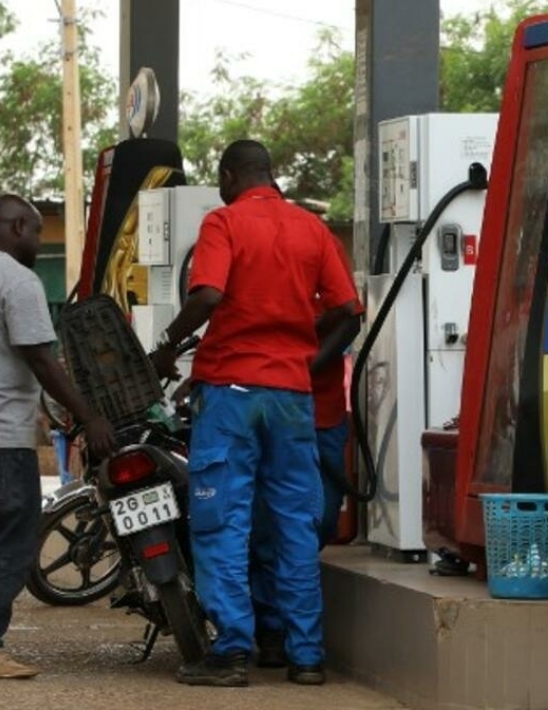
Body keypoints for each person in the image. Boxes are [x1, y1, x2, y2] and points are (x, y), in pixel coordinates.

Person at [150, 140, 359, 687]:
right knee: (295, 522)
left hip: (232, 392)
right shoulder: (312, 229)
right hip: (292, 397)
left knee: (222, 520)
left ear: (228, 175)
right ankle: (306, 655)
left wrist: (168, 344)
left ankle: (232, 652)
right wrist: (304, 361)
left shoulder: (224, 222)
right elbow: (347, 313)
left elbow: (209, 295)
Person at [0, 195, 116, 679]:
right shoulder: (18, 282)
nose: (39, 243)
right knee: (15, 542)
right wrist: (88, 416)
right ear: (18, 227)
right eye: (37, 232)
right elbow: (41, 359)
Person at [251, 213, 363, 669]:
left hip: (320, 412)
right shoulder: (247, 258)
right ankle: (274, 631)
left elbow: (350, 318)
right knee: (264, 526)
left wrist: (302, 370)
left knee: (317, 520)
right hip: (272, 412)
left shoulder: (322, 245)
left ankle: (290, 628)